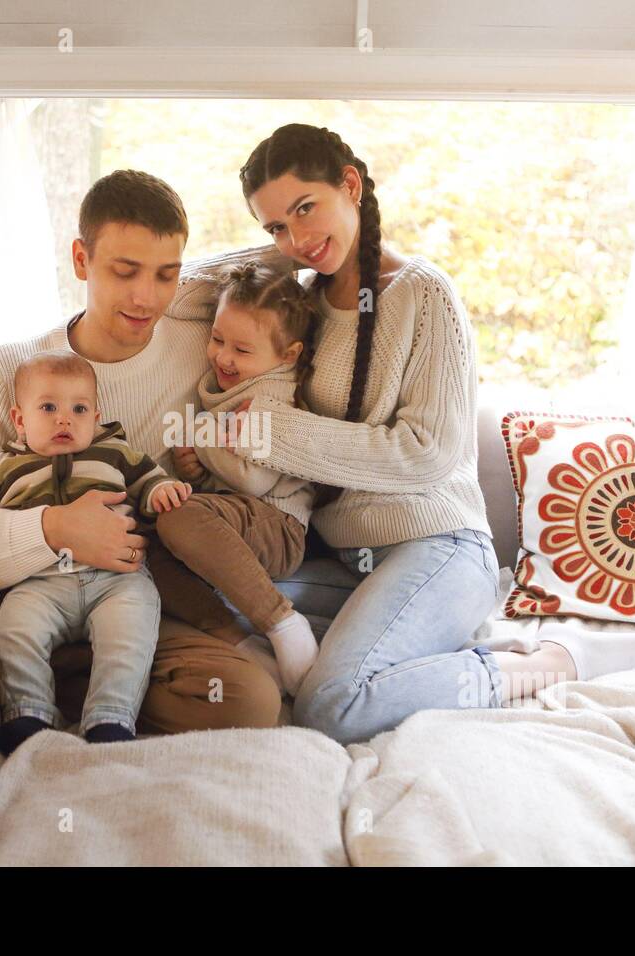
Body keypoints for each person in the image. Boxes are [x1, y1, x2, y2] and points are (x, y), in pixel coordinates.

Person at [0, 170, 284, 866]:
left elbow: (269, 276)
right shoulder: (12, 369)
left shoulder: (201, 353)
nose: (145, 297)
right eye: (124, 271)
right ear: (79, 261)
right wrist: (53, 530)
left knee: (247, 696)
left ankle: (54, 691)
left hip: (120, 593)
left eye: (166, 275)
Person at [201, 123, 580, 745]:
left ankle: (525, 667)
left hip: (441, 546)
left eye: (305, 209)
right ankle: (398, 647)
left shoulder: (424, 295)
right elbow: (207, 285)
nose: (295, 240)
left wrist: (268, 433)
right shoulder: (300, 300)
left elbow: (425, 455)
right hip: (350, 559)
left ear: (350, 185)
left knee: (333, 704)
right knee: (209, 585)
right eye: (274, 228)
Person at [0, 349, 193, 754]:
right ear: (20, 420)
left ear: (95, 419)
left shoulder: (115, 452)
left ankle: (110, 718)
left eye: (79, 409)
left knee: (130, 635)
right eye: (48, 408)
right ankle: (29, 711)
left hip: (117, 581)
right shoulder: (2, 469)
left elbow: (149, 482)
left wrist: (162, 491)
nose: (65, 419)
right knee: (13, 629)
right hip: (41, 582)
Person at [149, 261, 322, 695]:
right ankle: (239, 640)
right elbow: (227, 478)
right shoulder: (231, 387)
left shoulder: (272, 396)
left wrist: (198, 435)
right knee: (145, 542)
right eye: (218, 339)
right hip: (236, 519)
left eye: (242, 350)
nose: (224, 357)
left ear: (288, 355)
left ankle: (282, 621)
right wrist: (197, 469)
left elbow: (253, 481)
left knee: (176, 515)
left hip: (278, 525)